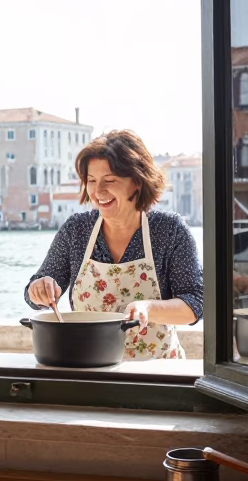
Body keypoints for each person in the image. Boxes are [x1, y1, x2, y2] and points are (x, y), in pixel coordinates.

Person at [25, 130, 203, 360]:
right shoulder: (76, 230)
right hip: (89, 369)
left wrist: (148, 309)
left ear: (137, 182)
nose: (98, 192)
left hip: (158, 375)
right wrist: (38, 288)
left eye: (109, 181)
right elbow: (34, 295)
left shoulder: (169, 230)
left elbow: (195, 304)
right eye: (92, 181)